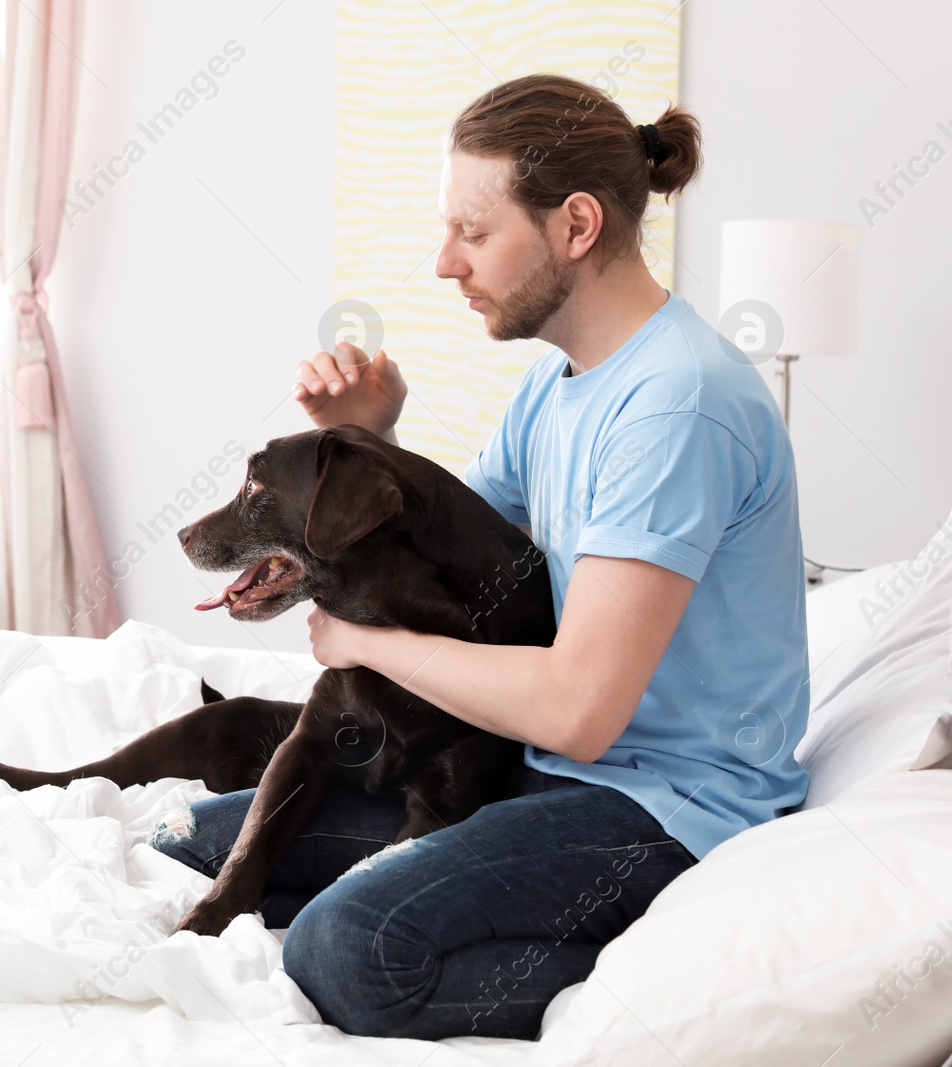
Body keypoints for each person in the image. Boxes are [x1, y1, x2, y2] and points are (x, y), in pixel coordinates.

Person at [150, 72, 811, 1040]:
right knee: (200, 839)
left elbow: (579, 710)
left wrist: (357, 644)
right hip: (550, 774)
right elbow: (456, 568)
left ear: (575, 225)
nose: (442, 264)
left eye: (472, 231)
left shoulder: (679, 403)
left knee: (344, 948)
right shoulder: (559, 387)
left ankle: (683, 977)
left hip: (663, 813)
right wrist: (369, 444)